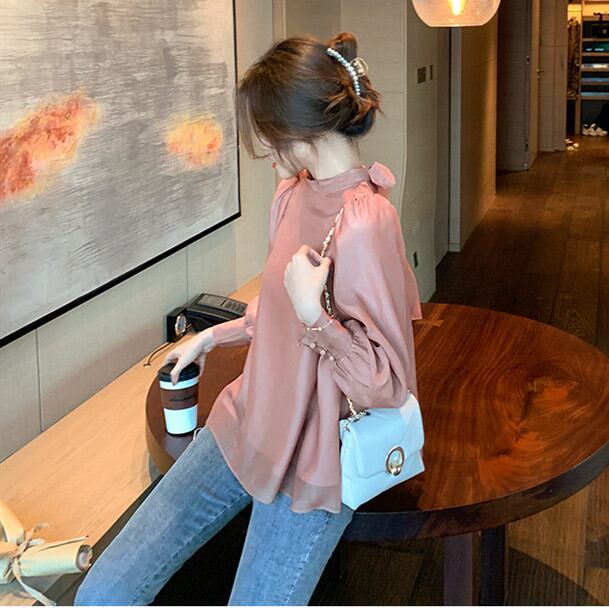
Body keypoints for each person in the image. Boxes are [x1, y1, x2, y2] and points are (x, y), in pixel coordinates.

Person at [74, 31, 422, 606]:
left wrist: (317, 317)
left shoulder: (367, 221)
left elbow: (387, 382)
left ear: (298, 128)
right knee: (103, 592)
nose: (263, 148)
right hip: (247, 418)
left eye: (267, 132)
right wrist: (215, 335)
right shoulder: (291, 195)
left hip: (312, 458)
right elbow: (279, 311)